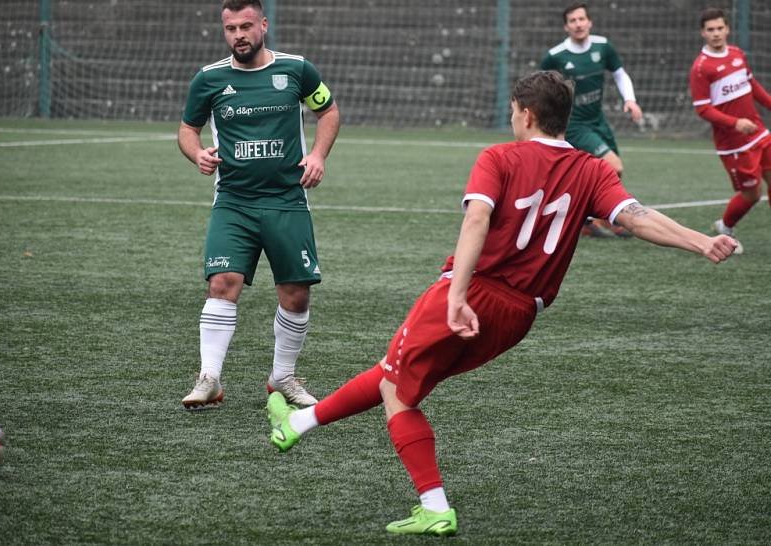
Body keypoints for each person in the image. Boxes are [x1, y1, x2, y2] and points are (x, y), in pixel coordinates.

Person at [265, 70, 737, 536]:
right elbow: (636, 217)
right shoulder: (592, 169)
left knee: (398, 393)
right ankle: (297, 424)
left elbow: (477, 222)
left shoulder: (500, 157)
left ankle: (434, 506)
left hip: (474, 291)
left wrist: (455, 295)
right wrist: (701, 243)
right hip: (519, 315)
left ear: (526, 115)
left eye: (513, 111)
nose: (512, 118)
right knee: (397, 370)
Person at [177, 0, 340, 409]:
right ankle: (209, 378)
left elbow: (329, 111)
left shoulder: (297, 69)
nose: (238, 35)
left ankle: (282, 376)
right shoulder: (209, 79)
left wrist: (318, 155)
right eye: (230, 28)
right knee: (222, 284)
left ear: (263, 25)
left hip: (287, 199)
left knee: (296, 293)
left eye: (246, 26)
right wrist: (196, 153)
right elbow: (186, 129)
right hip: (233, 201)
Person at [540, 2, 643, 238]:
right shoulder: (555, 56)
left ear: (589, 22)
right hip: (574, 124)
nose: (578, 24)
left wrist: (630, 99)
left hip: (598, 120)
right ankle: (600, 216)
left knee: (611, 173)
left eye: (581, 19)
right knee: (613, 166)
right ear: (566, 27)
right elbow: (541, 86)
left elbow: (619, 73)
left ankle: (593, 218)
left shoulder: (603, 46)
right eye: (573, 21)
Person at [690, 7, 771, 255]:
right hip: (734, 143)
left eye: (719, 28)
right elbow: (703, 110)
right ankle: (725, 227)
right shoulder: (701, 68)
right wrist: (735, 123)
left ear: (727, 29)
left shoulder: (737, 54)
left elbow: (752, 84)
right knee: (751, 194)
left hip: (758, 132)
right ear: (703, 33)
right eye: (710, 29)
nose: (716, 33)